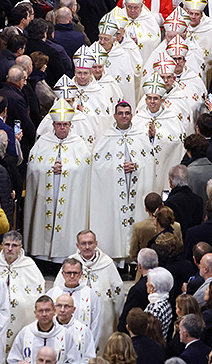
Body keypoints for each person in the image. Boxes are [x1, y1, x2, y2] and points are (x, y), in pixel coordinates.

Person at [23, 98, 92, 260]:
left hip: (69, 195)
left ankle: (62, 256)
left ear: (70, 125)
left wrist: (65, 169)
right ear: (53, 125)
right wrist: (49, 168)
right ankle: (42, 256)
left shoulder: (79, 144)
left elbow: (84, 167)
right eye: (59, 124)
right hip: (45, 194)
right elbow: (33, 166)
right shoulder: (43, 143)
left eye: (65, 124)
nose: (62, 127)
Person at [90, 101, 155, 260]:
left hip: (136, 187)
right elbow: (98, 165)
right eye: (120, 113)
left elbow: (151, 161)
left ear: (131, 115)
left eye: (127, 113)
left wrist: (137, 165)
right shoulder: (106, 137)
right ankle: (117, 257)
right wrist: (119, 167)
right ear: (115, 116)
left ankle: (134, 260)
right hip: (115, 188)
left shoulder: (140, 136)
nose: (124, 116)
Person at [53, 230, 125, 351]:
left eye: (90, 243)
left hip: (103, 317)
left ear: (96, 244)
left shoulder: (106, 263)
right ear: (78, 245)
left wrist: (119, 316)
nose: (87, 247)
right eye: (83, 243)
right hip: (75, 316)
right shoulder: (70, 263)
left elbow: (118, 291)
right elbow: (57, 289)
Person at [0, 231, 45, 353]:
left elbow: (37, 292)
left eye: (14, 245)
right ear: (1, 245)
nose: (10, 249)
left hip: (21, 319)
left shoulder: (29, 265)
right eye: (7, 245)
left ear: (20, 248)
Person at [47, 258, 102, 347]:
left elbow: (96, 324)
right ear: (63, 274)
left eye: (75, 273)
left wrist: (91, 347)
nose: (72, 276)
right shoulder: (52, 293)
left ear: (81, 274)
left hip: (81, 344)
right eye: (68, 273)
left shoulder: (91, 294)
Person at [7, 295, 76, 364]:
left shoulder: (65, 334)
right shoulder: (25, 333)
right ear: (35, 313)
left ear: (54, 311)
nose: (44, 314)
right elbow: (13, 359)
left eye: (47, 310)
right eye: (40, 311)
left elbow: (75, 360)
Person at [54, 294, 96, 363]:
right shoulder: (48, 329)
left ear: (73, 310)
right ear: (54, 308)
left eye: (67, 306)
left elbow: (89, 357)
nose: (62, 310)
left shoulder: (84, 330)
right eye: (59, 306)